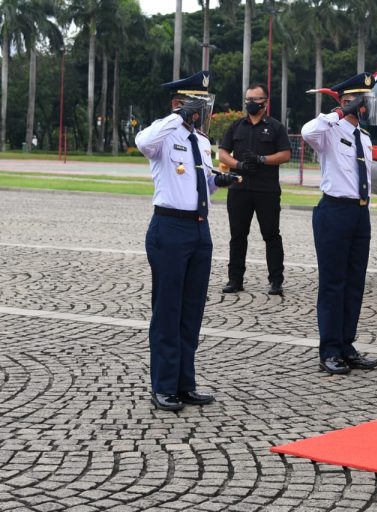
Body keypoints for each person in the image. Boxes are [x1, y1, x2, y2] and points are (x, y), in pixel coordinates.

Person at [135, 71, 239, 411]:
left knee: (191, 310)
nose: (201, 112)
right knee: (168, 310)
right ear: (179, 104)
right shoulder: (163, 135)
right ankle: (164, 385)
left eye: (203, 105)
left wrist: (220, 181)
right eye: (196, 105)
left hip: (199, 229)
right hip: (169, 229)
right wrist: (175, 117)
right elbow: (142, 143)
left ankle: (185, 382)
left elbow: (202, 186)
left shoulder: (201, 141)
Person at [301, 72, 377, 375]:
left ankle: (347, 345)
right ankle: (330, 350)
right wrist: (339, 110)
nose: (367, 108)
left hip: (360, 213)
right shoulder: (330, 132)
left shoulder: (364, 138)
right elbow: (308, 131)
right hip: (334, 211)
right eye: (363, 102)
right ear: (350, 103)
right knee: (333, 284)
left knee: (354, 283)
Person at [218, 84, 291, 295]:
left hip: (266, 190)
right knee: (238, 235)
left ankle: (276, 281)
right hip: (239, 188)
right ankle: (235, 279)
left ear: (265, 103)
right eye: (248, 99)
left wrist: (262, 159)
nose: (250, 103)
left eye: (255, 99)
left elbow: (285, 154)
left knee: (271, 235)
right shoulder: (236, 126)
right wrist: (238, 164)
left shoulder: (276, 127)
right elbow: (222, 153)